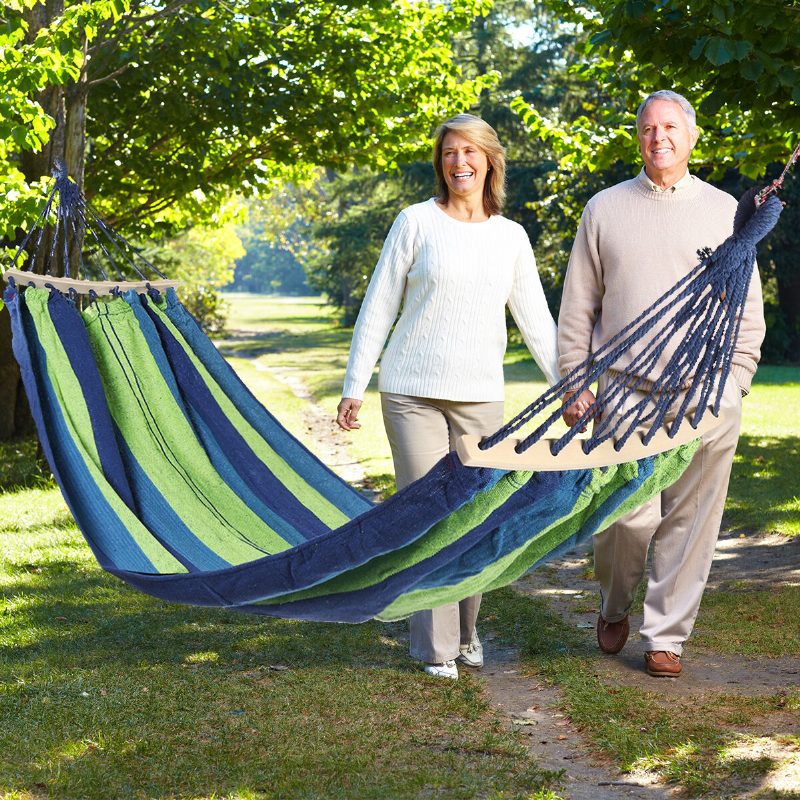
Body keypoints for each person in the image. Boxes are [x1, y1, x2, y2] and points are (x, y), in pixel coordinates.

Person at [335, 113, 561, 680]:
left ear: (490, 162)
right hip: (411, 393)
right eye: (450, 153)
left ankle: (466, 630)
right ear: (440, 163)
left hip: (479, 400)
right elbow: (379, 305)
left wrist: (571, 386)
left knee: (474, 516)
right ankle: (435, 648)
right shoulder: (414, 223)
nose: (460, 162)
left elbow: (536, 321)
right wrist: (354, 386)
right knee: (426, 518)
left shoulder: (510, 237)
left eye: (471, 153)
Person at [558, 90, 766, 678]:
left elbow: (746, 312)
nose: (659, 138)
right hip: (623, 392)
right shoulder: (604, 209)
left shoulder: (728, 212)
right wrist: (577, 381)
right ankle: (614, 602)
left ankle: (665, 636)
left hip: (707, 395)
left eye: (671, 127)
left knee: (691, 520)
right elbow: (578, 307)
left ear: (693, 136)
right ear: (639, 139)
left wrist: (735, 384)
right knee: (626, 518)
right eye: (649, 128)